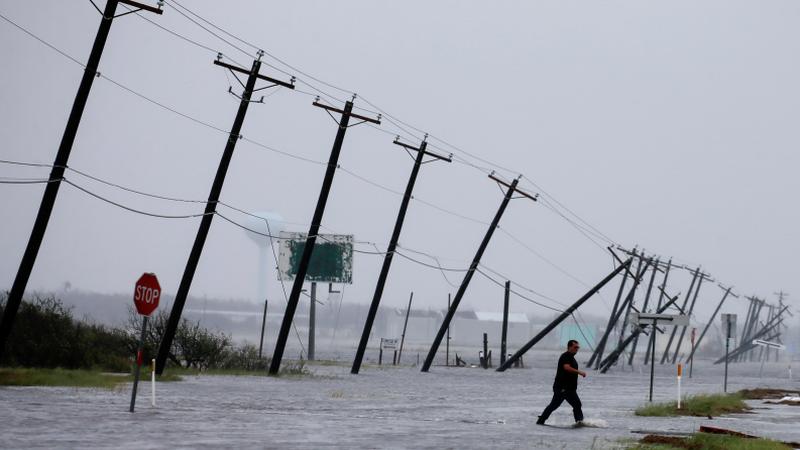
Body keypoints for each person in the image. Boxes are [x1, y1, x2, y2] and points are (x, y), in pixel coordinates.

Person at [537, 340, 586, 425]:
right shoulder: (565, 356)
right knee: (577, 404)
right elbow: (566, 367)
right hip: (563, 388)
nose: (577, 349)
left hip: (568, 388)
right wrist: (579, 372)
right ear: (569, 347)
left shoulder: (572, 358)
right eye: (575, 347)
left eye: (578, 347)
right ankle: (579, 423)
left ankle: (541, 421)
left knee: (554, 405)